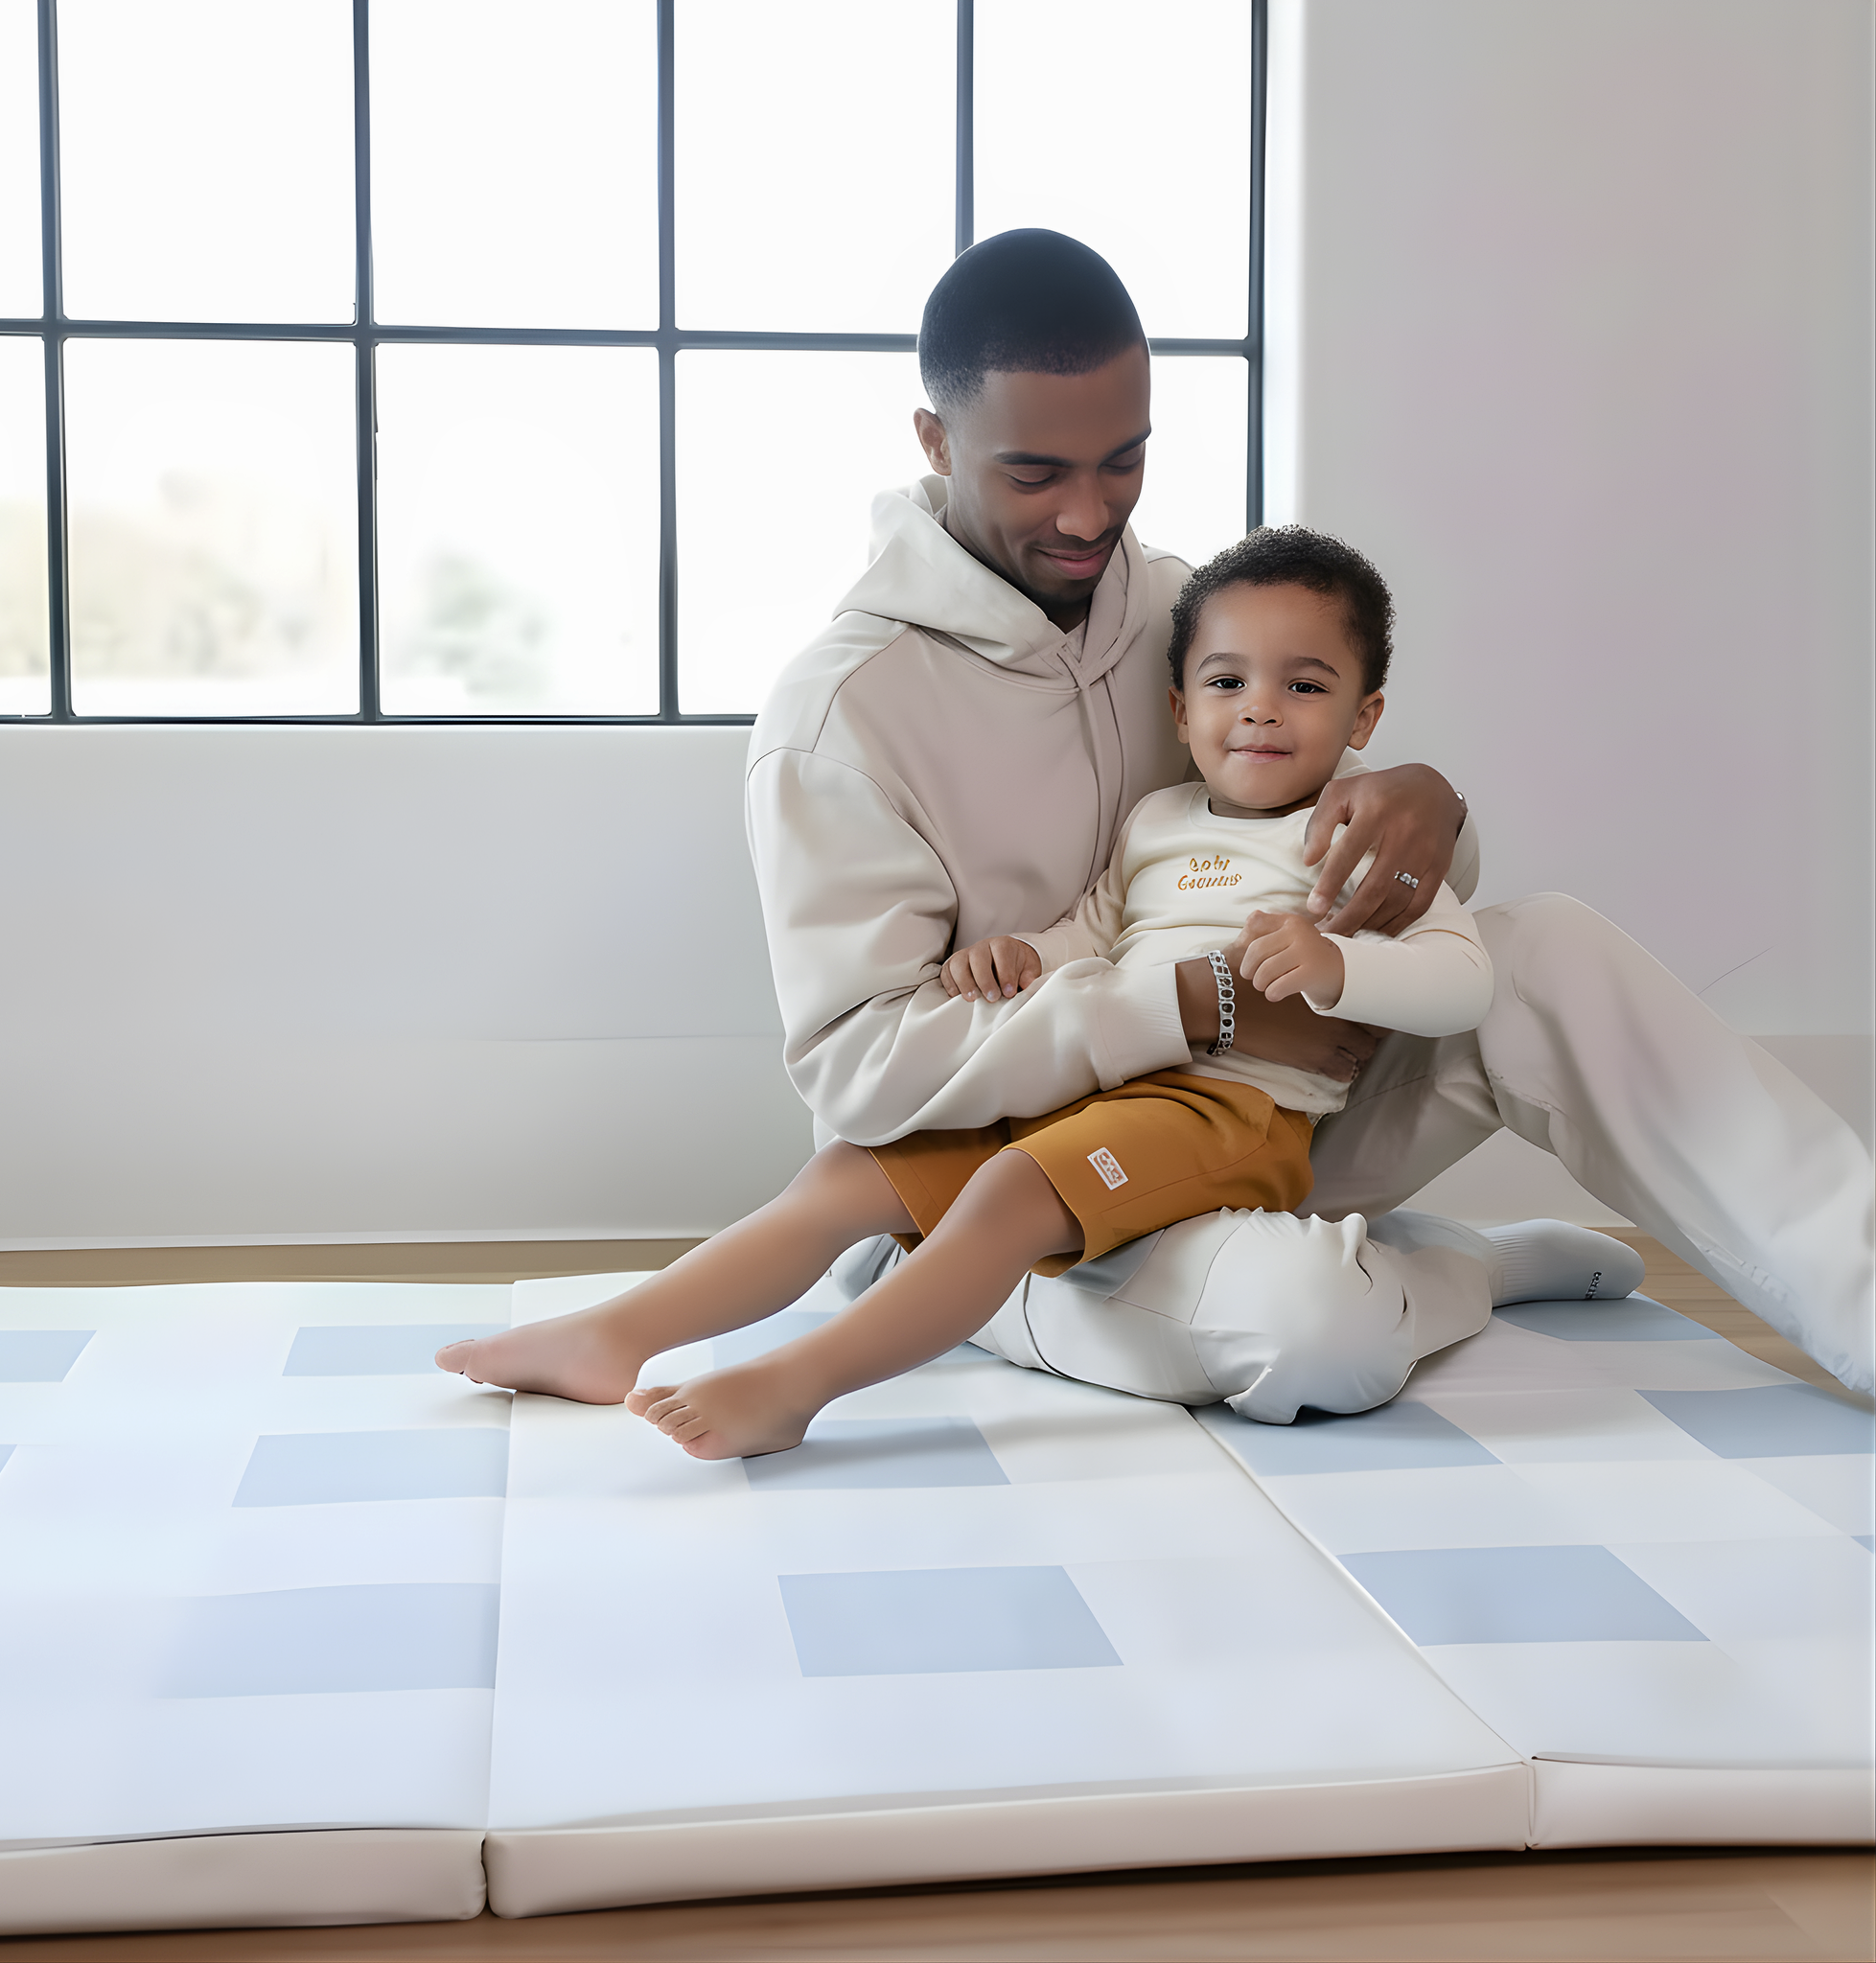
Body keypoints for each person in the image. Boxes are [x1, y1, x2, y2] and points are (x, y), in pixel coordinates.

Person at [454, 228, 1871, 1403]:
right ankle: (1460, 1266)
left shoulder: (1193, 614)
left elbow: (1309, 844)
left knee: (1548, 945)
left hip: (1275, 1107)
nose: (1091, 516)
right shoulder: (843, 716)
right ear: (936, 439)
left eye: (1122, 460)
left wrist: (1436, 806)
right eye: (1035, 472)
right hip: (1027, 1172)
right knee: (1315, 1333)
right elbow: (858, 1077)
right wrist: (1193, 1005)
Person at [436, 525, 1538, 1456]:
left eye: (1302, 686)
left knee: (1010, 1194)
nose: (1259, 710)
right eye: (1226, 683)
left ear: (1361, 716)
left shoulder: (1347, 833)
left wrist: (1341, 969)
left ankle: (795, 1387)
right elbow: (1095, 928)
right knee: (849, 1172)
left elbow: (1461, 979)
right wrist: (1017, 961)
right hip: (1108, 1080)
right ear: (1178, 705)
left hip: (1229, 1109)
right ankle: (614, 1333)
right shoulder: (1157, 821)